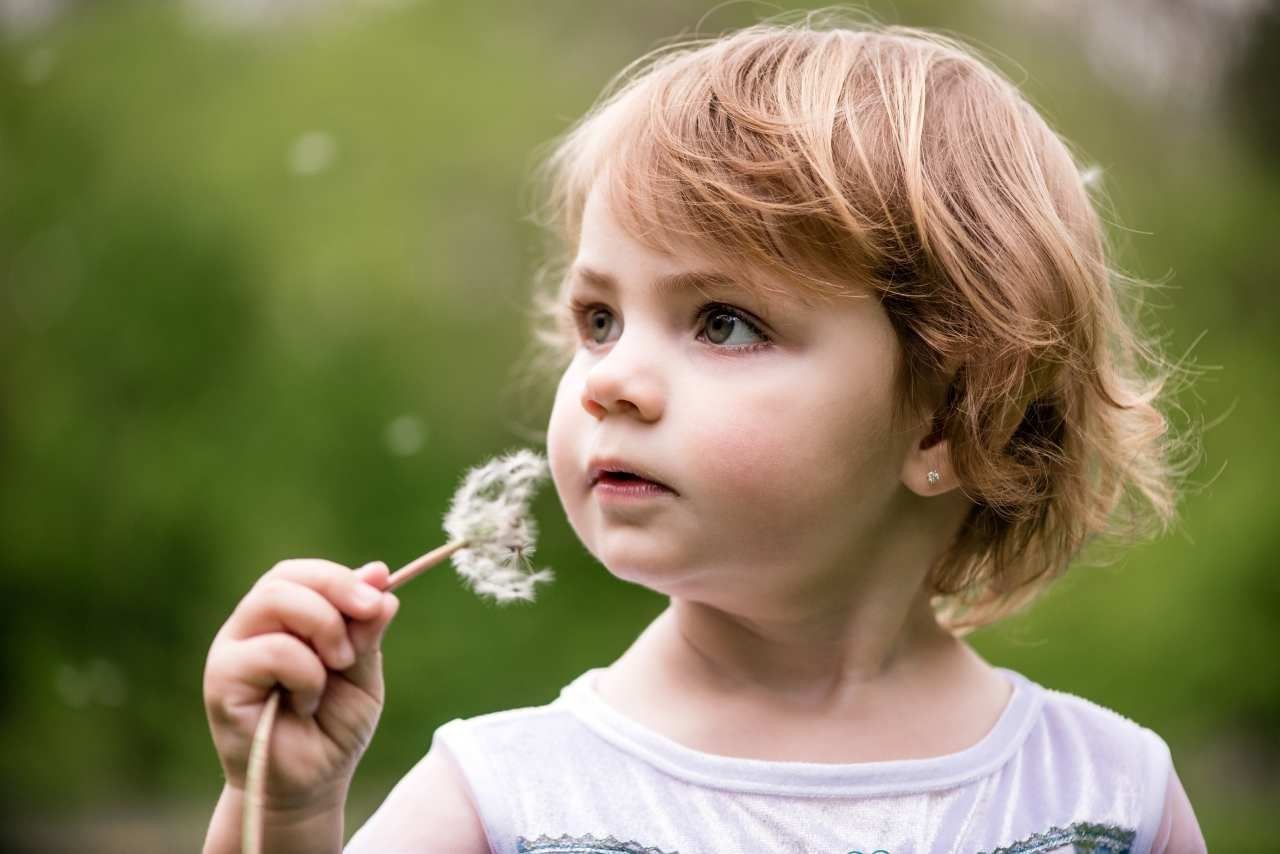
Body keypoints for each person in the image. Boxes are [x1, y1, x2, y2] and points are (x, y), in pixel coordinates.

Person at [202, 10, 1208, 853]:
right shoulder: (495, 801)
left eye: (722, 321)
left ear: (951, 413)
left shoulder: (1112, 797)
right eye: (597, 319)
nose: (610, 381)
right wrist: (281, 808)